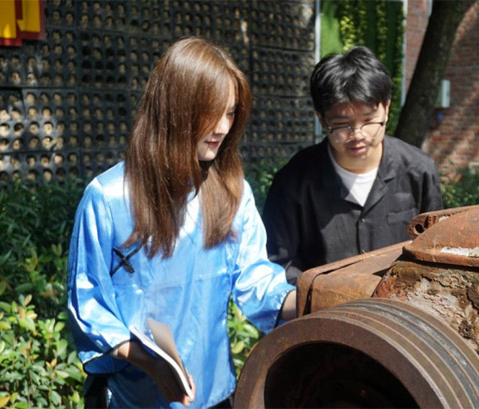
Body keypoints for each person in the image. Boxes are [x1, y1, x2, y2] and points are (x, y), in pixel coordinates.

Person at [67, 37, 296, 409]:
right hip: (133, 399)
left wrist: (314, 298)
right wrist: (151, 364)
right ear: (174, 109)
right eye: (211, 113)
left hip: (214, 393)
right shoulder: (108, 198)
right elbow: (89, 304)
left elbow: (255, 281)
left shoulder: (232, 192)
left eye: (230, 113)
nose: (222, 127)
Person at [262, 46, 443, 285]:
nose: (357, 134)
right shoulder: (293, 182)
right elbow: (280, 265)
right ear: (321, 119)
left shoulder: (418, 171)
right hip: (325, 306)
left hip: (399, 305)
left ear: (386, 109)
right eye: (342, 124)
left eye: (368, 121)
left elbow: (435, 251)